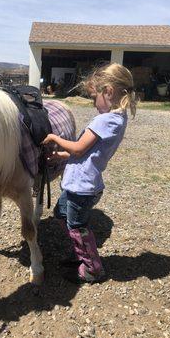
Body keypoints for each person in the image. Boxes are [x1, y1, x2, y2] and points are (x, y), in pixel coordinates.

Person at [42, 63, 137, 283]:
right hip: (82, 184)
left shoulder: (105, 120)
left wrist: (54, 138)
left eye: (94, 97)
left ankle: (92, 268)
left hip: (81, 187)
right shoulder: (117, 119)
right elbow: (87, 154)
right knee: (62, 213)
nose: (94, 103)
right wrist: (62, 157)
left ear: (109, 92)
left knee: (77, 226)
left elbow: (78, 148)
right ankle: (81, 253)